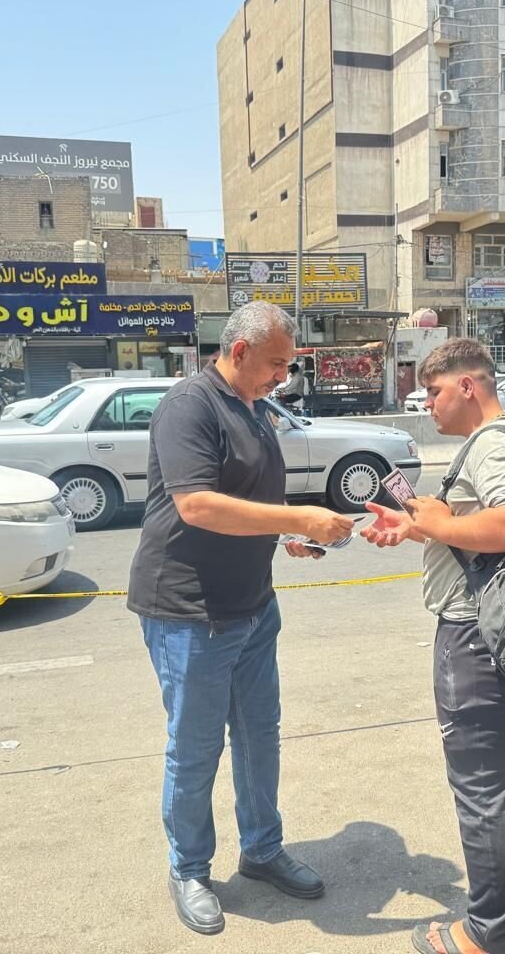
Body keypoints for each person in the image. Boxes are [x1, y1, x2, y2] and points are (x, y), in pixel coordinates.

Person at [127, 300, 354, 936]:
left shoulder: (253, 408)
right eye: (277, 363)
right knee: (195, 747)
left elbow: (247, 501)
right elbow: (198, 506)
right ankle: (189, 868)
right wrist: (299, 516)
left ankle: (261, 849)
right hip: (189, 612)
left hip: (253, 606)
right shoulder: (189, 406)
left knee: (259, 736)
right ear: (240, 350)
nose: (284, 376)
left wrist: (288, 537)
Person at [360, 338, 505, 954]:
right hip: (502, 631)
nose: (428, 404)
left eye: (434, 392)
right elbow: (478, 528)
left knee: (481, 784)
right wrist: (420, 527)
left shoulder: (492, 444)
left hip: (474, 635)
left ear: (468, 386)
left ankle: (488, 931)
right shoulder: (503, 439)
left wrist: (436, 521)